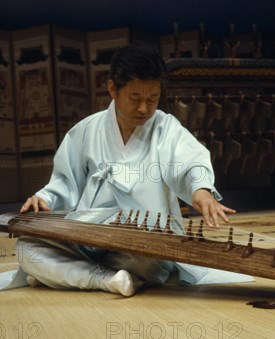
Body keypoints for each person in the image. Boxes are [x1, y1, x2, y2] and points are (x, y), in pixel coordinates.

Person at [15, 43, 249, 296]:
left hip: (142, 241)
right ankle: (104, 279)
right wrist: (44, 198)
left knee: (150, 261)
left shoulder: (165, 127)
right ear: (112, 88)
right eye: (135, 98)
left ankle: (71, 275)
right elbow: (65, 181)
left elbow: (190, 161)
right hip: (88, 231)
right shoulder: (86, 130)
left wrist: (201, 191)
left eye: (152, 99)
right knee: (27, 249)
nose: (144, 109)